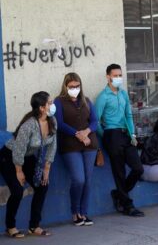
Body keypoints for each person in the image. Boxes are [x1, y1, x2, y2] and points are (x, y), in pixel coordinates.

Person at [0, 91, 57, 238]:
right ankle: (10, 226)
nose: (52, 105)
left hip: (28, 157)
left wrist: (47, 168)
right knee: (17, 190)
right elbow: (18, 149)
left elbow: (52, 145)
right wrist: (19, 171)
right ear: (41, 108)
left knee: (42, 186)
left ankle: (34, 226)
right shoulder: (29, 125)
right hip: (9, 156)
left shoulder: (52, 121)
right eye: (49, 103)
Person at [95, 64, 144, 217]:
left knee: (138, 168)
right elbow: (96, 120)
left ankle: (119, 193)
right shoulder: (103, 96)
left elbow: (129, 115)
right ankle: (127, 205)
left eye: (120, 75)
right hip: (112, 134)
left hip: (126, 134)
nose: (118, 78)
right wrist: (106, 135)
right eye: (115, 75)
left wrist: (133, 134)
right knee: (119, 171)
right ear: (108, 77)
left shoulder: (123, 94)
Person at [54, 73, 98, 226]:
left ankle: (84, 213)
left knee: (88, 181)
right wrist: (77, 134)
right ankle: (75, 212)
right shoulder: (58, 102)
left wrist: (86, 132)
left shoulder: (86, 101)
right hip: (70, 146)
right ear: (66, 87)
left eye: (77, 86)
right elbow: (58, 123)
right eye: (71, 87)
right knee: (79, 179)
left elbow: (94, 121)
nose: (75, 89)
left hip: (89, 144)